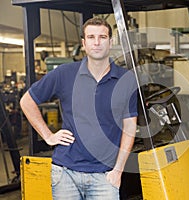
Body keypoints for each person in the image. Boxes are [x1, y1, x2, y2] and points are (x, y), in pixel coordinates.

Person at [20, 17, 138, 199]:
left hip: (104, 176)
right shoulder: (64, 74)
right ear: (83, 43)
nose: (97, 42)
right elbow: (26, 101)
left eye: (102, 37)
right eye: (91, 37)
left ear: (111, 42)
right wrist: (48, 136)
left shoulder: (125, 80)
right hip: (65, 173)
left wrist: (118, 170)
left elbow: (130, 127)